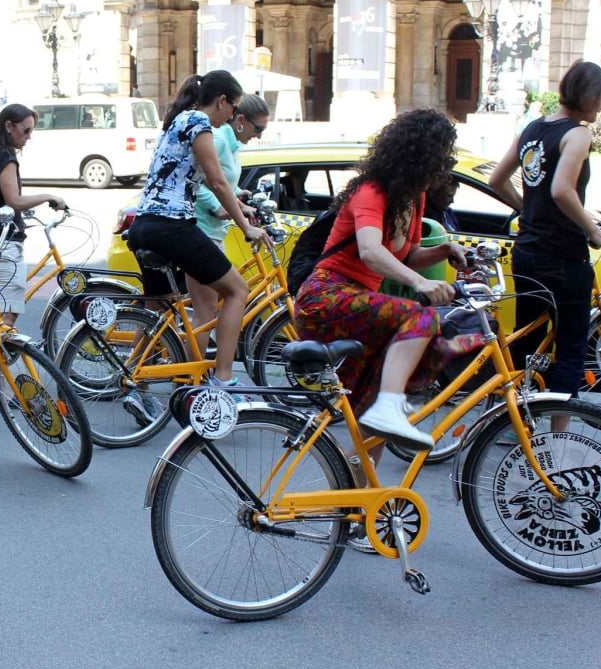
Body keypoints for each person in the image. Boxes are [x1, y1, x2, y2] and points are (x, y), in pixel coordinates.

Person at [293, 109, 475, 450]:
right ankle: (391, 407)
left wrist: (445, 249)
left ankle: (357, 502)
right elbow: (371, 251)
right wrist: (419, 285)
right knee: (420, 316)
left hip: (358, 303)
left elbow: (406, 256)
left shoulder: (414, 198)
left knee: (370, 427)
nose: (442, 170)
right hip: (326, 297)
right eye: (440, 159)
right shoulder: (371, 191)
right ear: (419, 156)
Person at [128, 70, 269, 394]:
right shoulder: (199, 123)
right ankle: (221, 378)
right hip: (171, 226)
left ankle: (133, 381)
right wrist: (245, 226)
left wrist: (240, 208)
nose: (232, 116)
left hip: (144, 226)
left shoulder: (178, 120)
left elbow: (202, 179)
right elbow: (217, 180)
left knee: (159, 308)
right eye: (232, 108)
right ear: (221, 102)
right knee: (236, 290)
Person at [488, 60, 601, 405]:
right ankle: (558, 430)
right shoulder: (577, 134)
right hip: (562, 254)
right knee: (571, 344)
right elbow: (562, 190)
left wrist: (526, 208)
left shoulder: (531, 128)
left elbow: (496, 180)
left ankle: (514, 416)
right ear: (588, 95)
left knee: (527, 339)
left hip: (527, 249)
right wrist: (592, 230)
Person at [0, 103, 70, 405]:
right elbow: (15, 199)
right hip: (5, 246)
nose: (28, 136)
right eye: (26, 130)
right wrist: (50, 196)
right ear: (9, 126)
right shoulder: (5, 157)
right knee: (5, 321)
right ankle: (0, 388)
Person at [187, 93, 268, 357]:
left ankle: (206, 374)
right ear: (241, 120)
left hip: (213, 231)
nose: (259, 135)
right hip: (202, 229)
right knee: (206, 312)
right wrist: (216, 206)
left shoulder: (232, 145)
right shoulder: (220, 138)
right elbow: (199, 181)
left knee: (212, 307)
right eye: (259, 128)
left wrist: (240, 203)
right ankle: (192, 381)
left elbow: (224, 184)